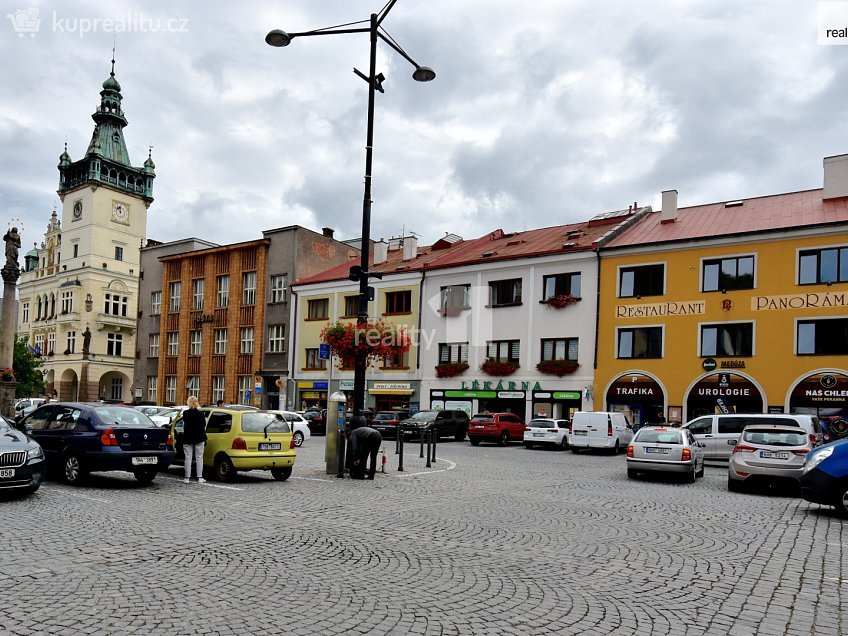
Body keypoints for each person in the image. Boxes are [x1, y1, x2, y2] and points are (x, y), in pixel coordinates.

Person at [181, 396, 207, 483]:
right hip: (199, 437)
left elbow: (184, 423)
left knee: (188, 457)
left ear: (188, 403)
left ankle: (187, 478)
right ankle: (199, 477)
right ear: (196, 402)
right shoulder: (200, 414)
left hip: (188, 438)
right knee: (199, 458)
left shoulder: (185, 413)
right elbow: (204, 424)